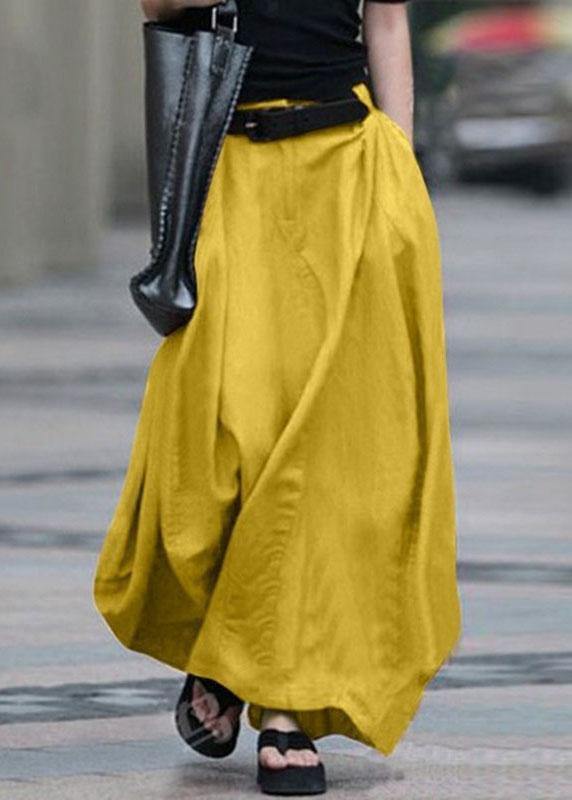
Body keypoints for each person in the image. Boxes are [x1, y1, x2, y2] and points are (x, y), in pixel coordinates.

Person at [93, 0, 462, 795]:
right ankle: (227, 642)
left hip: (350, 173)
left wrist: (400, 170)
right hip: (233, 174)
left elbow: (386, 21)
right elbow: (158, 7)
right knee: (221, 439)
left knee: (323, 459)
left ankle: (286, 705)